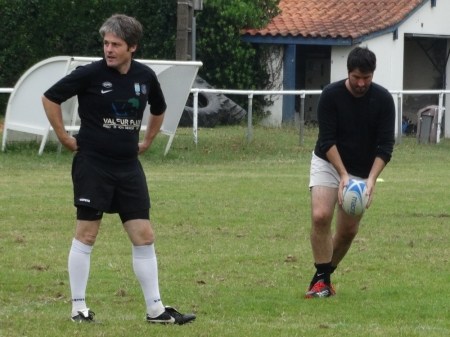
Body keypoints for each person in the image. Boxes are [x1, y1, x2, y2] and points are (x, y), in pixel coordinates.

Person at [42, 14, 196, 324]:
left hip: (128, 166)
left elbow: (159, 108)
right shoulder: (90, 74)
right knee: (86, 235)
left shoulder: (144, 76)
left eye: (116, 44)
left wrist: (148, 140)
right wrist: (62, 136)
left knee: (144, 235)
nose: (109, 49)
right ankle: (79, 309)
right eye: (106, 43)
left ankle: (156, 311)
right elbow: (50, 97)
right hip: (93, 164)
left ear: (132, 47)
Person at [305, 46, 395, 298]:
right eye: (356, 77)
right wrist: (342, 174)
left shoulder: (384, 100)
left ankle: (323, 278)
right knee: (321, 215)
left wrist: (371, 180)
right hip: (329, 161)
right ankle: (322, 283)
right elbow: (327, 140)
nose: (361, 83)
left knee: (348, 231)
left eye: (367, 77)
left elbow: (385, 146)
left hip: (362, 170)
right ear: (348, 72)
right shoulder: (330, 95)